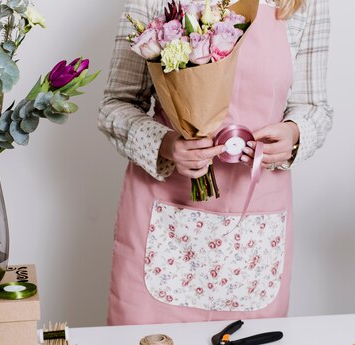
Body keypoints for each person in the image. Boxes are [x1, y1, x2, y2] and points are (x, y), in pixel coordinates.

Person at [98, 0, 333, 325]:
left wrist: (294, 133)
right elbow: (116, 104)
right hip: (164, 220)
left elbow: (314, 107)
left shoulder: (302, 5)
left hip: (255, 227)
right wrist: (165, 144)